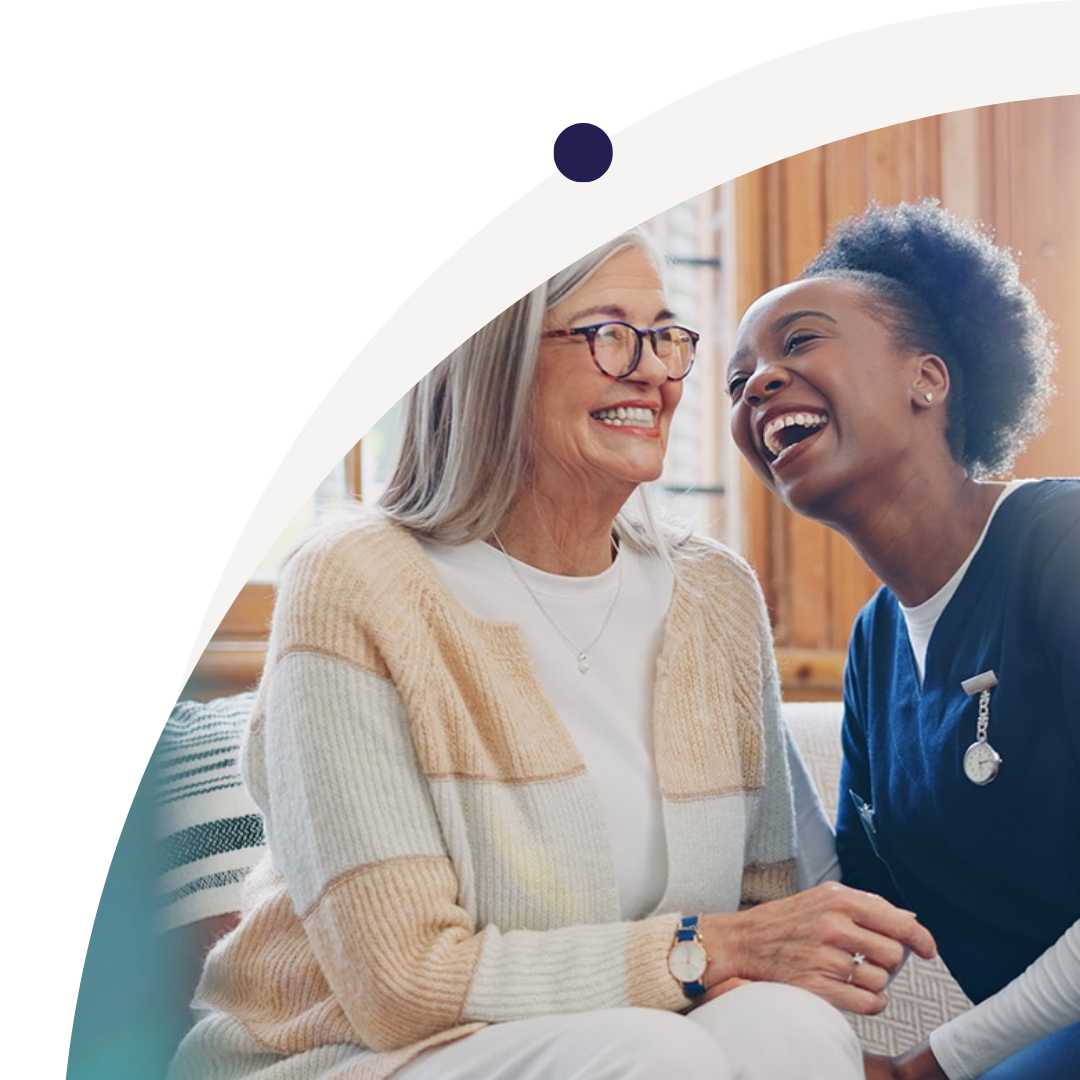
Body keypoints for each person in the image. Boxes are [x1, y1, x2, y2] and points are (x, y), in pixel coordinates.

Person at [168, 227, 935, 1080]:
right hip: (350, 1057)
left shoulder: (714, 594)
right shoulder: (355, 581)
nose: (652, 369)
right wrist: (695, 952)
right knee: (657, 1051)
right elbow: (402, 985)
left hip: (631, 1043)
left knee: (785, 1023)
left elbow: (773, 913)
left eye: (667, 337)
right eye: (607, 332)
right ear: (492, 357)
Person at [727, 199, 1080, 1080]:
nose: (759, 384)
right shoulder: (876, 648)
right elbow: (854, 911)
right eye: (738, 381)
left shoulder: (1061, 542)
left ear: (929, 377)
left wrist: (931, 1066)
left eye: (799, 343)